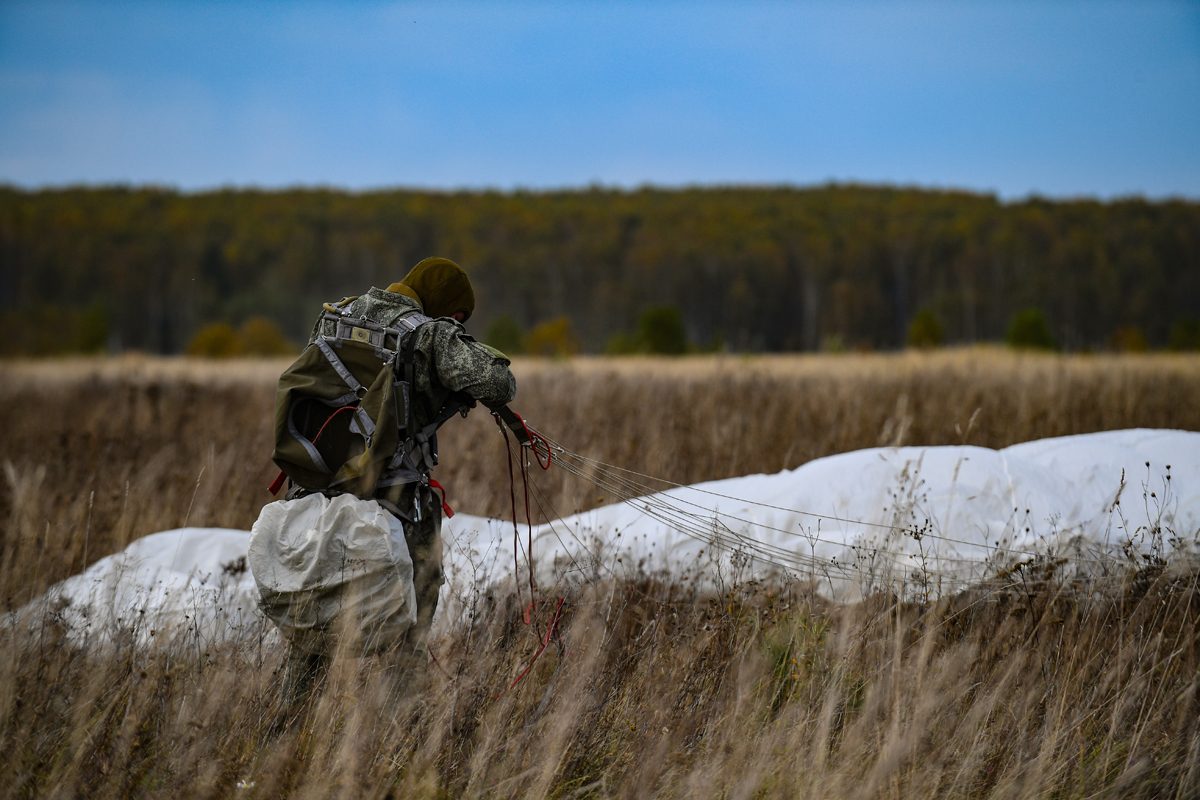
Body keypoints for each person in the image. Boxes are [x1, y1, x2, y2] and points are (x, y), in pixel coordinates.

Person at [279, 257, 516, 714]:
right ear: (448, 308)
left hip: (315, 493)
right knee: (413, 606)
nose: (456, 322)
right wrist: (465, 346)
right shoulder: (430, 333)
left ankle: (284, 727)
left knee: (314, 609)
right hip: (393, 499)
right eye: (458, 316)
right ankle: (401, 727)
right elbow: (498, 382)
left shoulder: (337, 313)